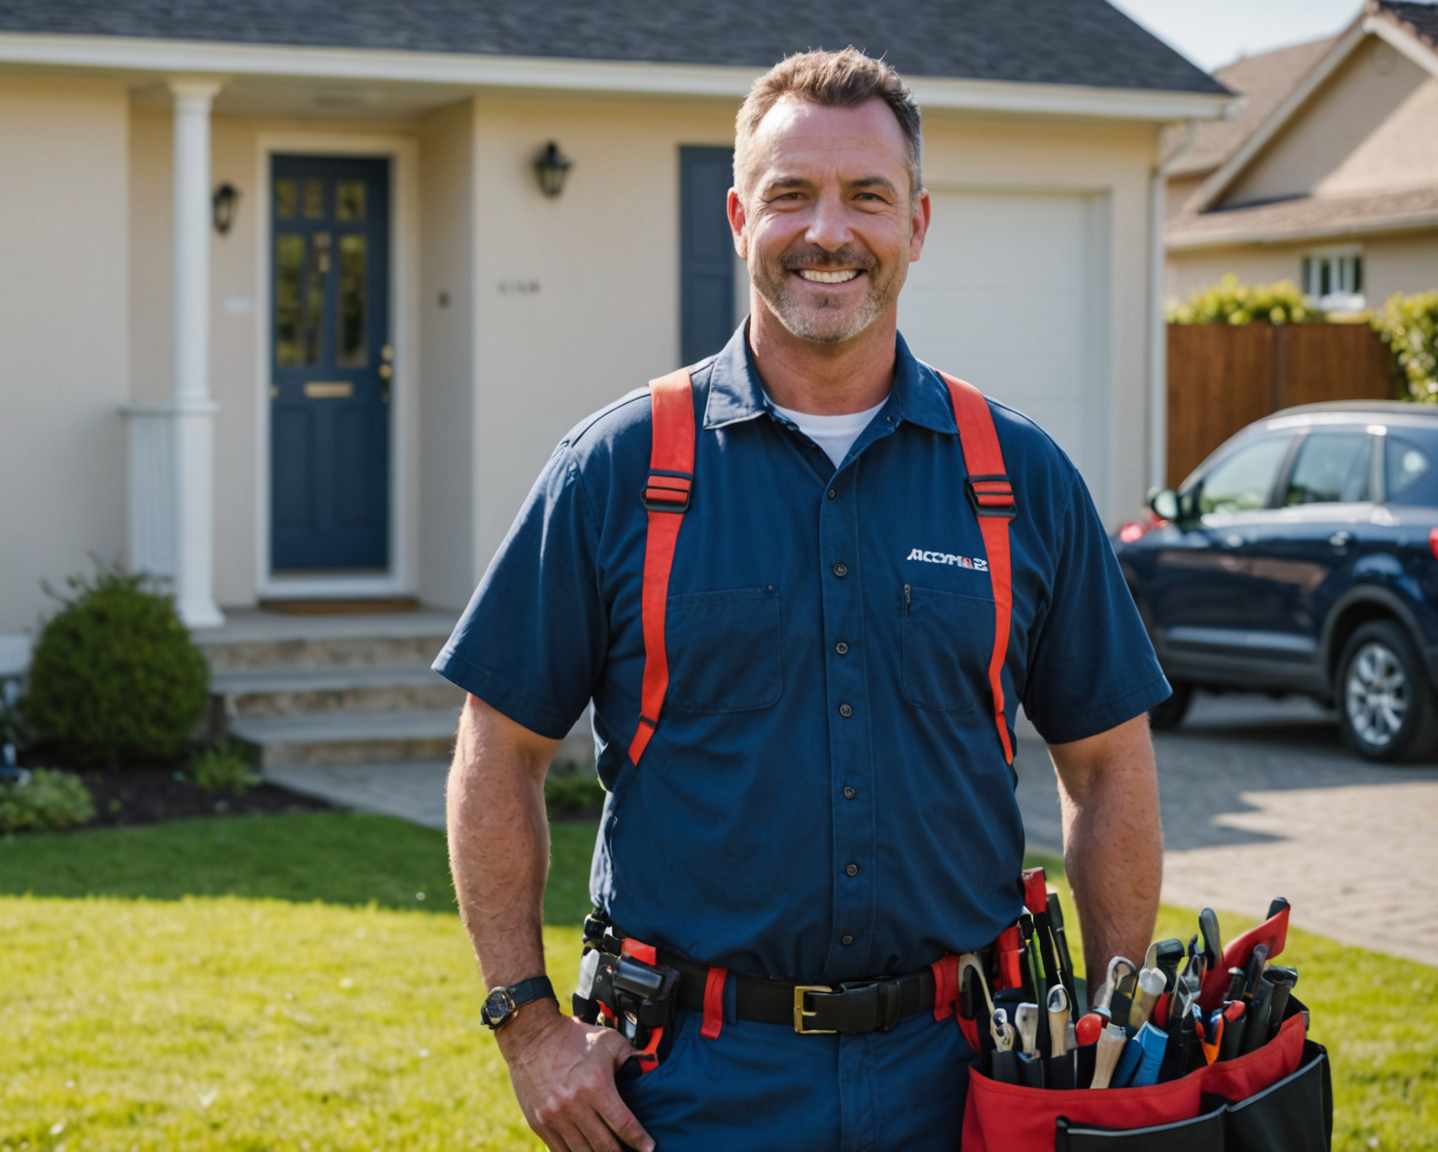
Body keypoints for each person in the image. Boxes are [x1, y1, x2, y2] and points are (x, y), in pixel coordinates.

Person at [437, 47, 1169, 1152]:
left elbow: (1109, 764)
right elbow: (497, 749)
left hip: (963, 1078)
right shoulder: (618, 470)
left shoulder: (1019, 478)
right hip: (688, 1088)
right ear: (740, 217)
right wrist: (526, 1024)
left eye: (867, 195)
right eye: (792, 195)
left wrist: (1109, 1031)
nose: (830, 230)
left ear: (917, 223)